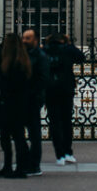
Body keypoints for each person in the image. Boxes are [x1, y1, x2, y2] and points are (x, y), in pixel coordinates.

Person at [43, 32, 84, 165]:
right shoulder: (67, 50)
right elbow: (81, 58)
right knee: (66, 121)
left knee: (54, 122)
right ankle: (68, 152)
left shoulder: (45, 50)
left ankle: (59, 154)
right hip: (66, 89)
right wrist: (70, 45)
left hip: (50, 89)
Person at [0, 33, 31, 179]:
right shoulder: (23, 60)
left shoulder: (14, 63)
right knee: (15, 137)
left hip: (11, 104)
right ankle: (10, 166)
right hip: (18, 104)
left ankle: (18, 168)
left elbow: (11, 85)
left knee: (11, 137)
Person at [21, 27, 50, 176]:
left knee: (34, 134)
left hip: (32, 99)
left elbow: (43, 79)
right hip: (21, 98)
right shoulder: (23, 55)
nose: (24, 40)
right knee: (18, 132)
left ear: (36, 40)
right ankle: (25, 161)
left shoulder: (41, 56)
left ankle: (34, 165)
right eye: (24, 38)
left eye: (27, 38)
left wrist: (38, 97)